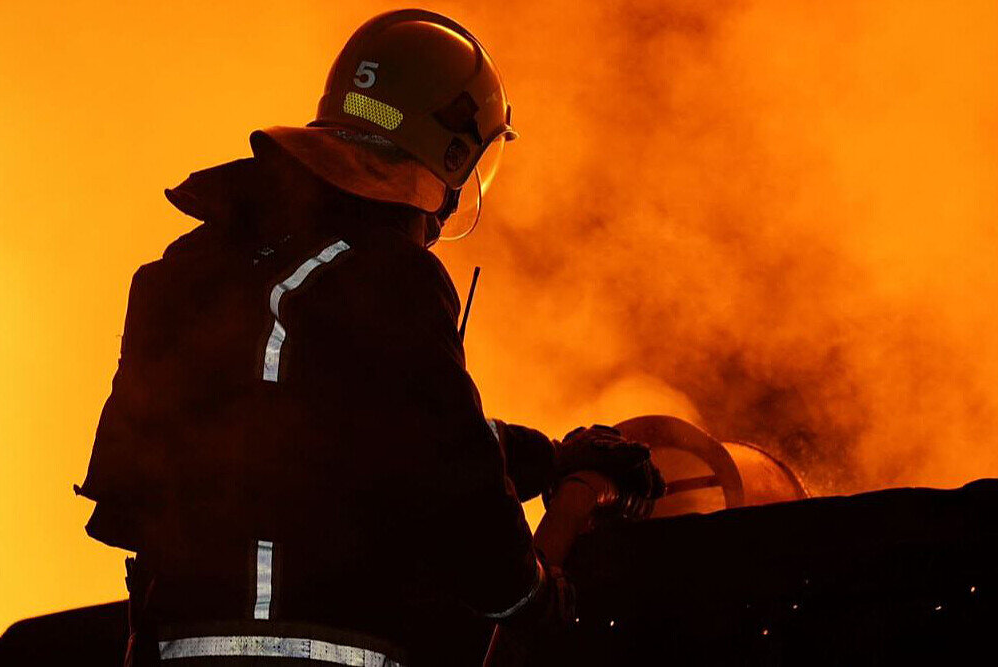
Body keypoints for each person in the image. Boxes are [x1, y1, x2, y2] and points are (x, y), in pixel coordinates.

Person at [75, 9, 663, 667]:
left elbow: (359, 433)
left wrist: (547, 459)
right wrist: (541, 600)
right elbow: (454, 485)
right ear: (454, 155)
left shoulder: (212, 265)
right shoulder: (388, 275)